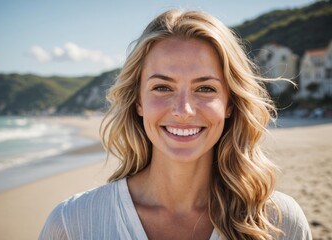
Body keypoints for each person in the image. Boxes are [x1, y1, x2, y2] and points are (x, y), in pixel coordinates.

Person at [39, 9, 312, 240]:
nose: (183, 110)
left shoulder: (281, 222)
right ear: (138, 101)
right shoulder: (72, 224)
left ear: (230, 103)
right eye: (162, 87)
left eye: (205, 88)